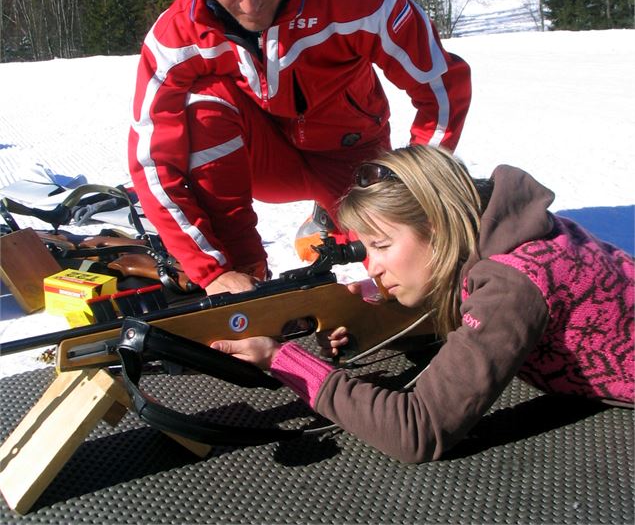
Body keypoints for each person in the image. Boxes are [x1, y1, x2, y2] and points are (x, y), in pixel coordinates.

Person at [128, 0, 471, 295]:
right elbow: (151, 162)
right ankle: (246, 275)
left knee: (404, 251)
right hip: (263, 159)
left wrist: (415, 181)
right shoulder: (174, 37)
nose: (250, 5)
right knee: (202, 104)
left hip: (350, 154)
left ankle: (334, 219)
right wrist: (212, 271)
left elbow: (440, 86)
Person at [211, 144, 634, 463]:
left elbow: (417, 430)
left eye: (381, 245)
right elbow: (472, 309)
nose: (372, 267)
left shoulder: (513, 284)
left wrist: (283, 360)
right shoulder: (510, 228)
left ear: (435, 226)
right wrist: (376, 323)